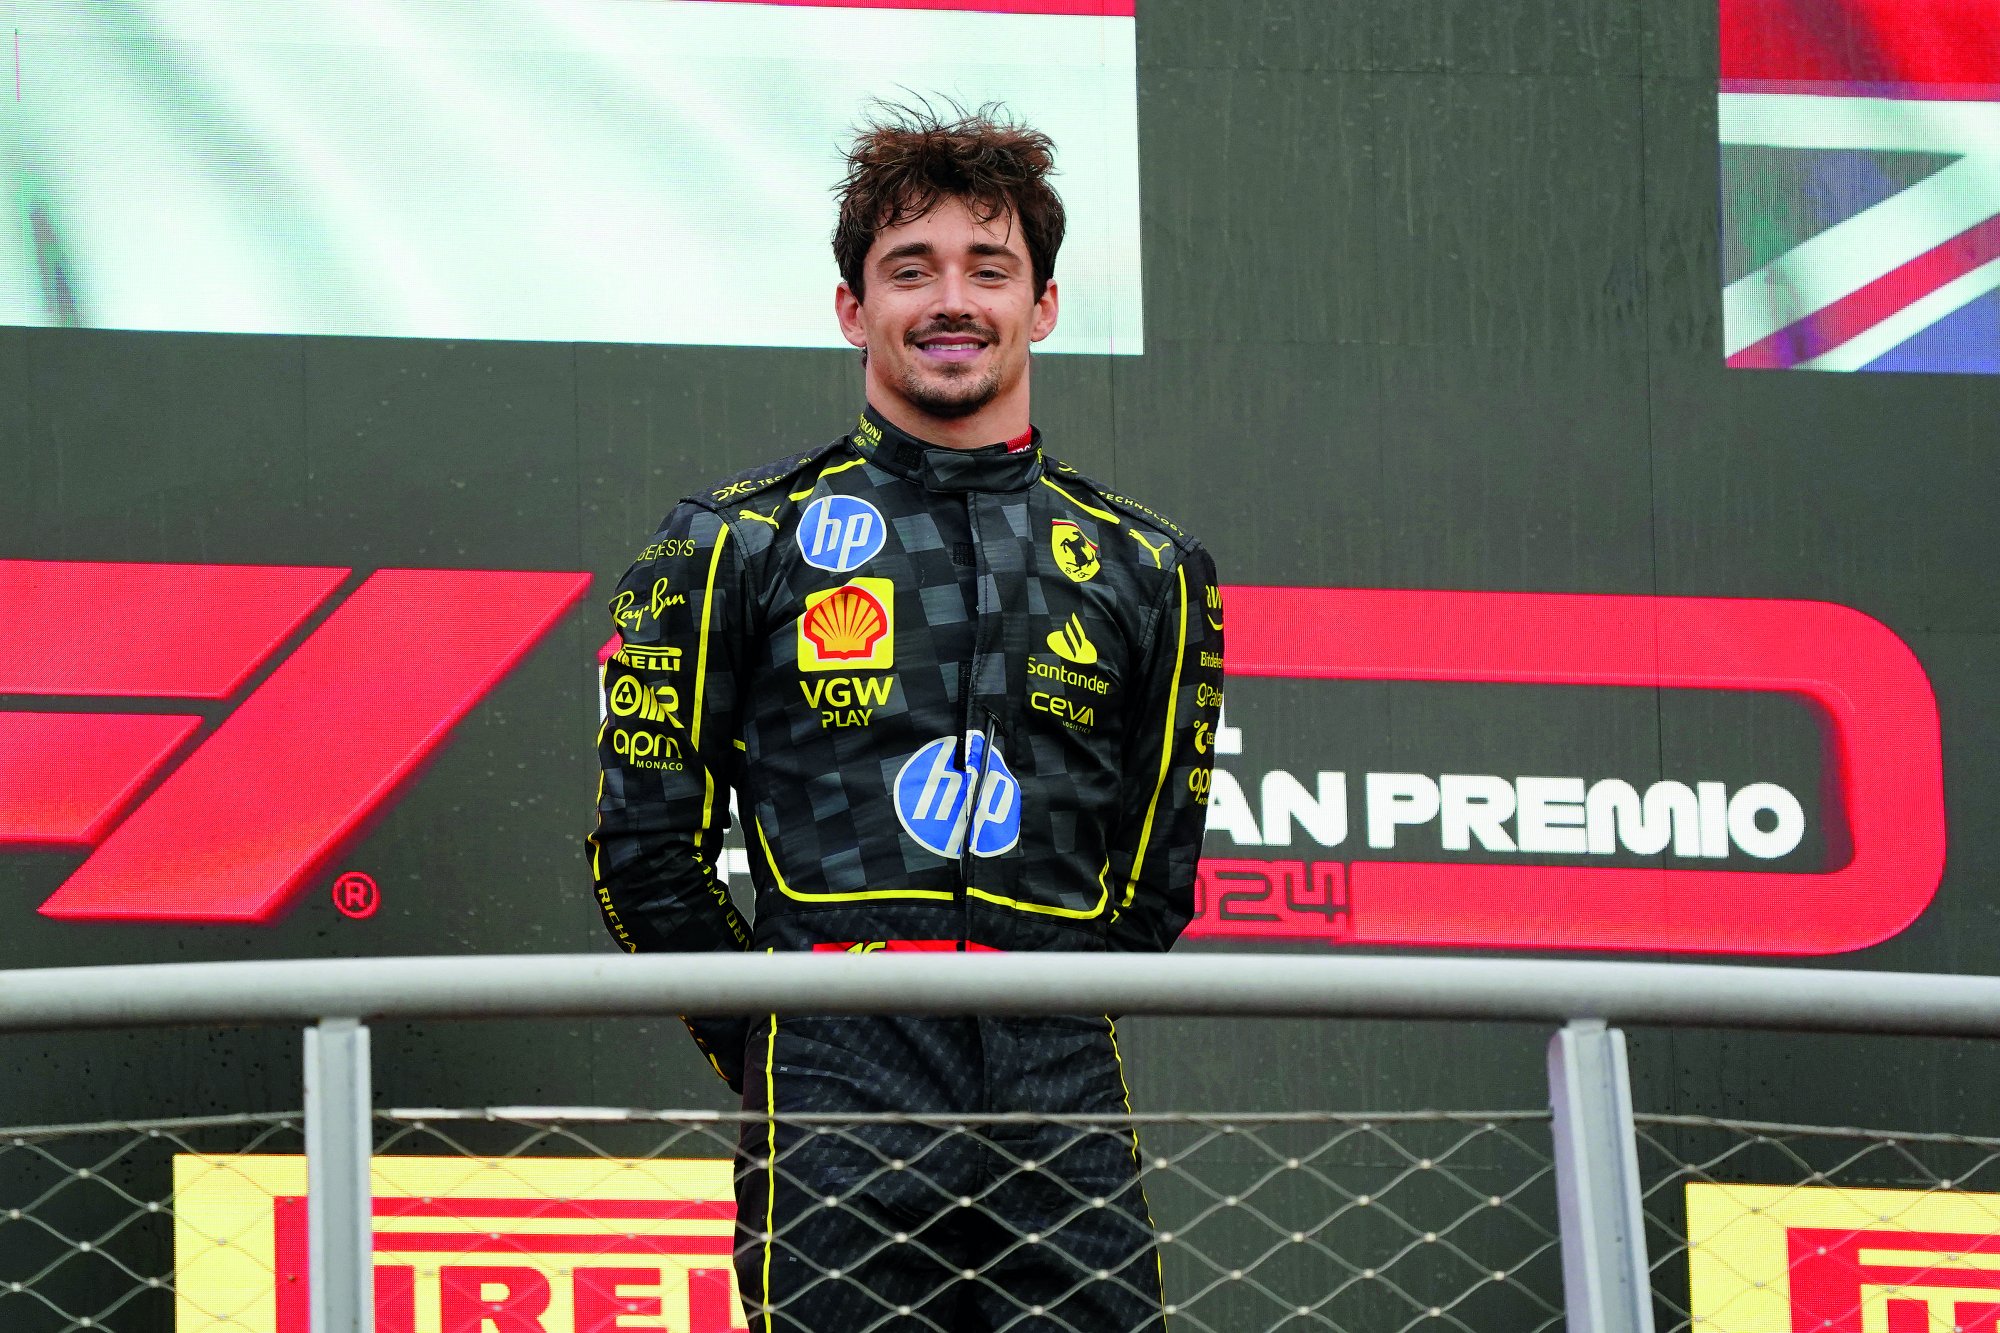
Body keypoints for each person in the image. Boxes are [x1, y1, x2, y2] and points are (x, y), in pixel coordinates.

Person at [587, 102, 1223, 1333]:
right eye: (909, 269)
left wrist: (1035, 1004)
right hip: (831, 1065)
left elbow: (1154, 880)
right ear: (851, 307)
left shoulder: (1149, 566)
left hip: (1059, 1075)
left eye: (989, 268)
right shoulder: (735, 542)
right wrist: (780, 1039)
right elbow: (643, 851)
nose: (951, 301)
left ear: (1042, 304)